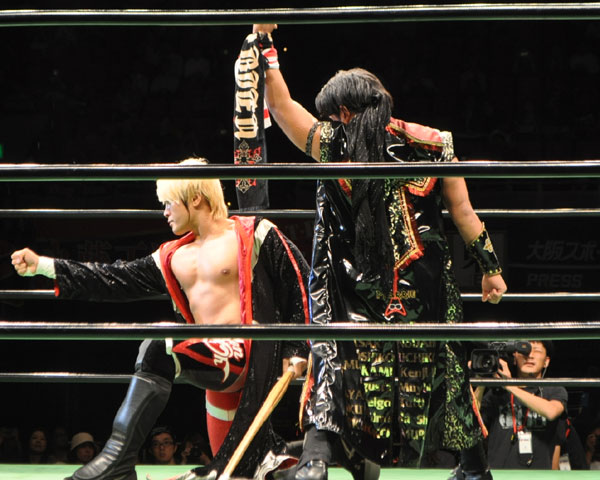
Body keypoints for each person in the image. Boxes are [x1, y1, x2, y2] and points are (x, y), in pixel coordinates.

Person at [243, 24, 507, 480]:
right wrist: (490, 269)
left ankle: (315, 459)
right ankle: (474, 468)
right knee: (444, 366)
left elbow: (282, 108)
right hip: (422, 287)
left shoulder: (333, 141)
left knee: (336, 360)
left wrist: (264, 49)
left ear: (344, 112)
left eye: (332, 115)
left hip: (356, 286)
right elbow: (464, 212)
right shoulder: (432, 140)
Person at [11, 157, 310, 480]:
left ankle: (116, 458)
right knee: (235, 473)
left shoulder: (253, 233)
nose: (165, 211)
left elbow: (299, 282)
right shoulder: (172, 256)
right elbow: (114, 278)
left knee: (161, 343)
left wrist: (298, 347)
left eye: (169, 202)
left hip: (251, 353)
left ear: (195, 198)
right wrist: (44, 266)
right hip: (215, 366)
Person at [476, 340, 567, 469]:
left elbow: (551, 412)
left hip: (538, 476)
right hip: (500, 475)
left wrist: (509, 385)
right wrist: (481, 381)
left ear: (546, 361)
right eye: (524, 351)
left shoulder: (554, 390)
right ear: (514, 358)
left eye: (536, 351)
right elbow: (471, 423)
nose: (530, 356)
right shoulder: (497, 392)